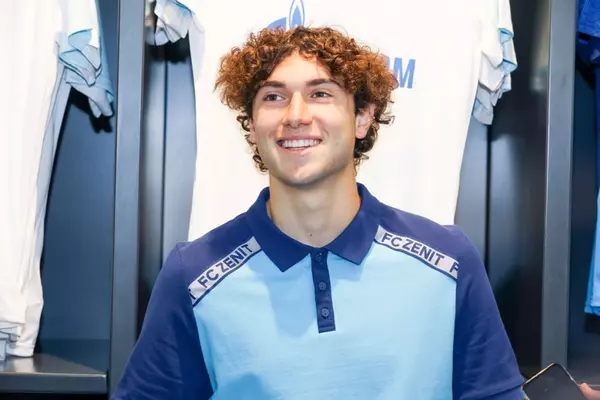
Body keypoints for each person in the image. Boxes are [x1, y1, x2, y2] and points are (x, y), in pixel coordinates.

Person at [111, 26, 525, 399]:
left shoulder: (449, 260)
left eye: (320, 93)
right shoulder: (193, 274)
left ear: (362, 118)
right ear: (252, 126)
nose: (295, 115)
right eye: (273, 97)